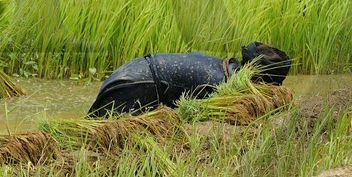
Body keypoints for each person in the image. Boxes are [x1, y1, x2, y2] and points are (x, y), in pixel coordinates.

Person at [87, 41, 292, 118]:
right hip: (137, 84)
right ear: (258, 80)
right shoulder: (217, 85)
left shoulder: (220, 63)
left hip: (132, 69)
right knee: (101, 138)